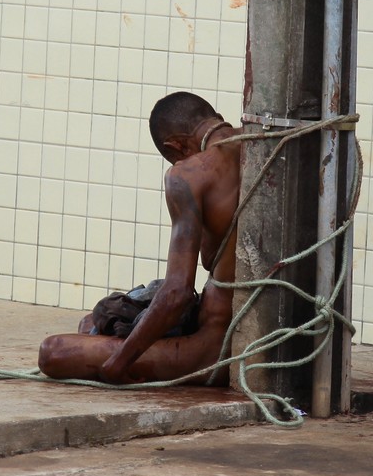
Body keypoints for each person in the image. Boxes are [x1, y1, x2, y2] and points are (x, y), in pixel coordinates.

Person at [38, 91, 240, 385]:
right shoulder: (259, 139)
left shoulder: (187, 175)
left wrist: (118, 364)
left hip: (213, 350)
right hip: (224, 330)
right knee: (92, 322)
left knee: (53, 352)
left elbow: (177, 294)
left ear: (178, 146)